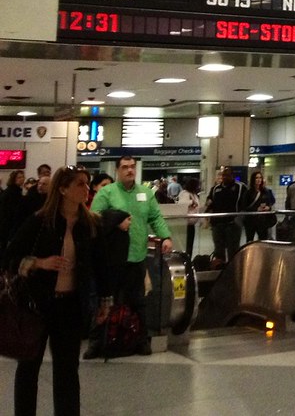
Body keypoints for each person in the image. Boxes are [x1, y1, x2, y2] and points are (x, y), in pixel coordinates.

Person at [6, 166, 107, 416]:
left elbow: (100, 265)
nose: (86, 189)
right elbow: (9, 256)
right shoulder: (40, 221)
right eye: (80, 184)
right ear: (63, 189)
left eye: (87, 183)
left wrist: (105, 300)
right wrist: (39, 263)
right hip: (37, 305)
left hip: (70, 305)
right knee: (29, 368)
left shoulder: (90, 224)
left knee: (67, 370)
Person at [88, 154, 173, 357]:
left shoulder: (146, 193)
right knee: (106, 300)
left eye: (133, 166)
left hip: (136, 256)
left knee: (138, 301)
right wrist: (115, 222)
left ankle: (140, 340)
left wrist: (166, 237)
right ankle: (97, 342)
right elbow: (93, 218)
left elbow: (155, 217)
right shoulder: (107, 193)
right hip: (112, 258)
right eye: (125, 167)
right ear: (117, 170)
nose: (130, 170)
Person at [205, 165, 247, 262]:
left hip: (232, 225)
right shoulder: (216, 189)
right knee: (218, 250)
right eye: (223, 175)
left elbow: (245, 204)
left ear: (232, 176)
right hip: (217, 224)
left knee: (233, 250)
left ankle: (233, 269)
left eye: (227, 175)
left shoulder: (240, 187)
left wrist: (239, 220)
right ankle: (220, 269)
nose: (224, 177)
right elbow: (210, 202)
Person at [243, 170, 276, 242]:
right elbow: (244, 206)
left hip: (262, 221)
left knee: (263, 240)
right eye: (256, 178)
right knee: (249, 240)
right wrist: (256, 209)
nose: (259, 180)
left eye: (260, 178)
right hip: (250, 221)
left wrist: (268, 207)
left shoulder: (265, 191)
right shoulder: (248, 192)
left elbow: (269, 203)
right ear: (253, 180)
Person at [0, 168, 27, 251]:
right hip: (8, 225)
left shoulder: (11, 191)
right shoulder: (13, 193)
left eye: (23, 177)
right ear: (14, 179)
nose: (22, 179)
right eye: (19, 177)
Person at [180, 177, 202, 256]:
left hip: (192, 224)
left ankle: (189, 258)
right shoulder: (185, 193)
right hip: (186, 224)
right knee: (187, 244)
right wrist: (191, 202)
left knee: (190, 244)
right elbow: (182, 204)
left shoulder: (193, 194)